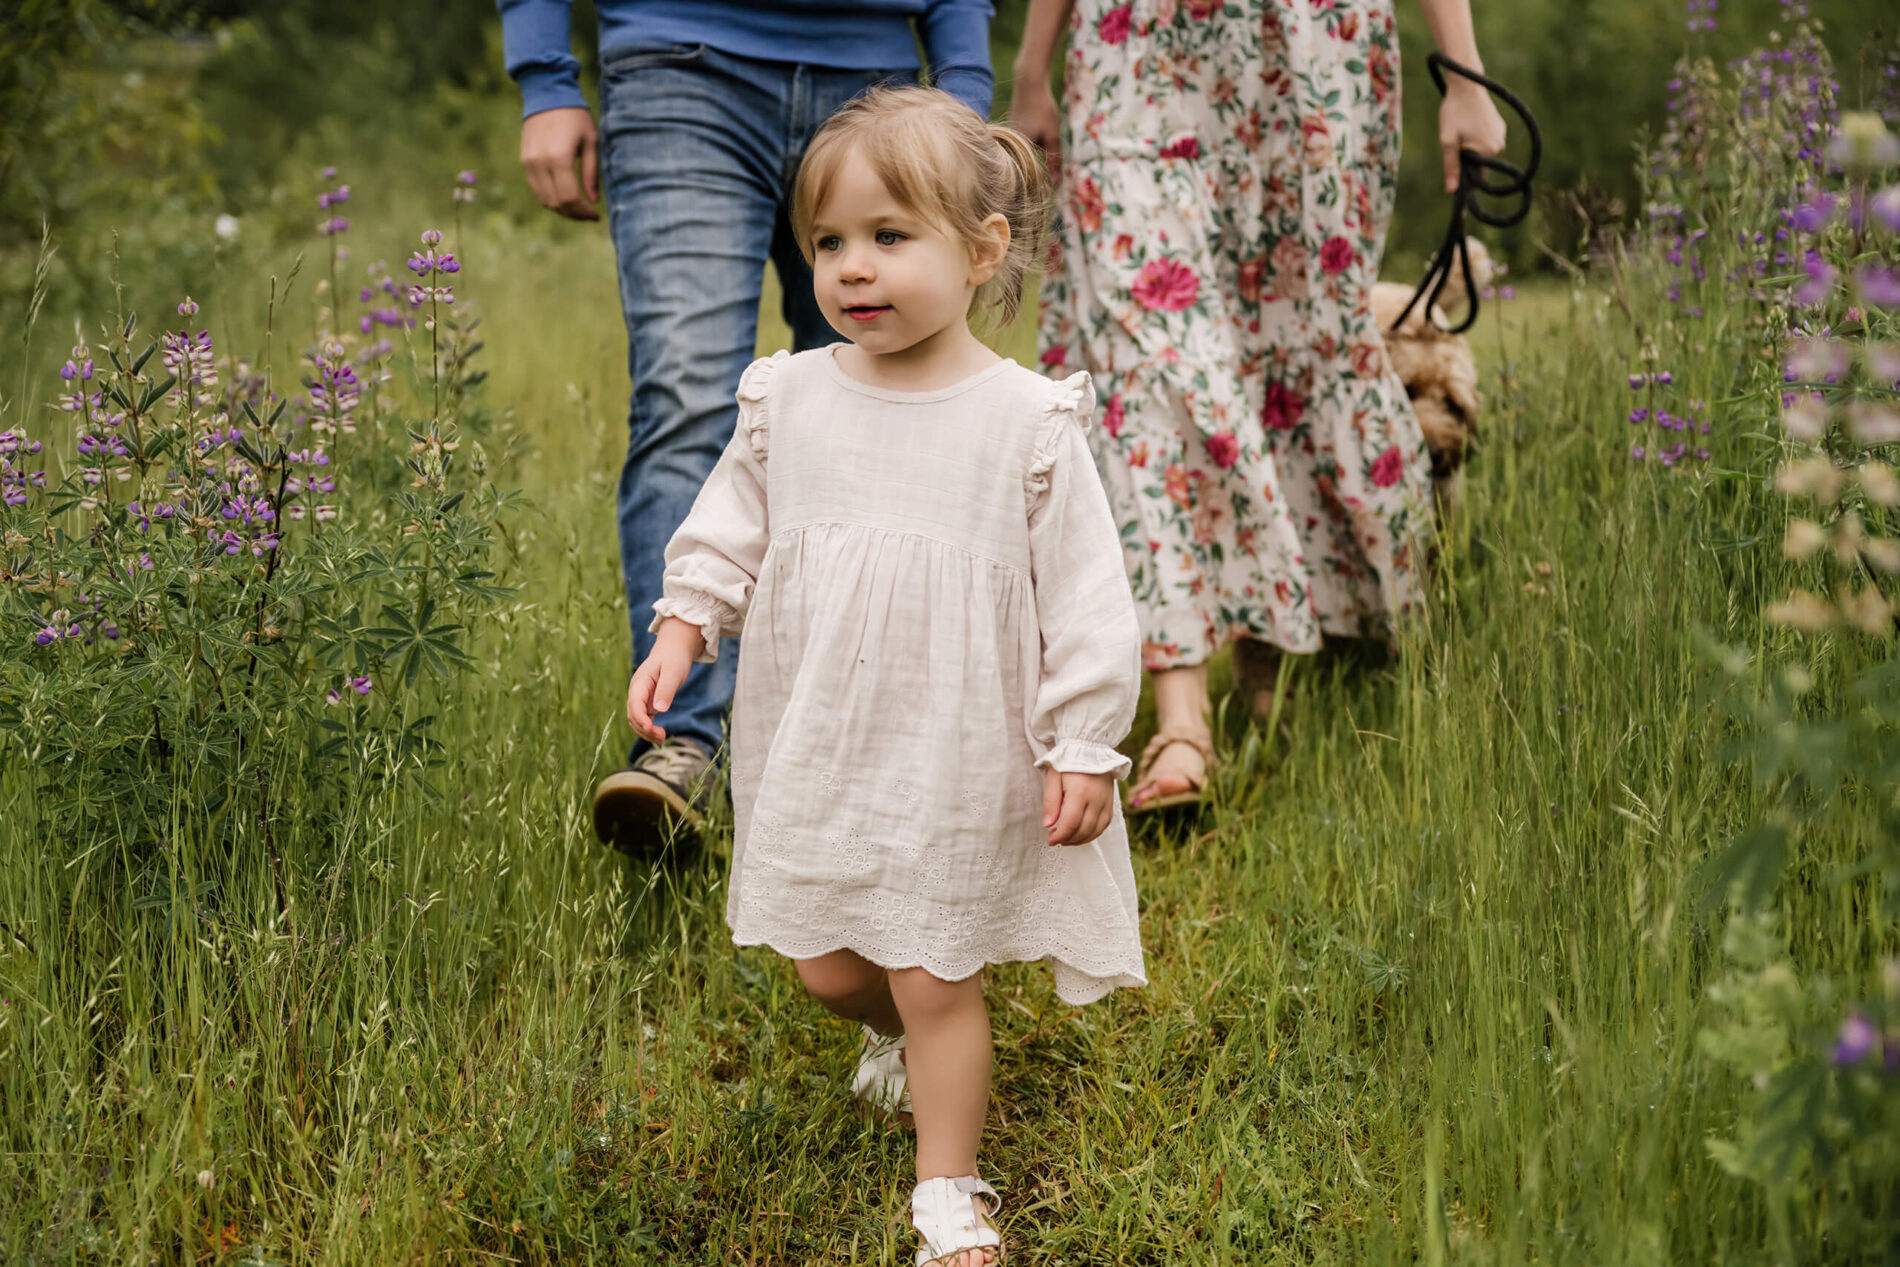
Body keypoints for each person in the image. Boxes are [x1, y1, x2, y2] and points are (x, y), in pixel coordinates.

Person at [626, 88, 1146, 1265]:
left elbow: (1086, 598)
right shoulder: (790, 396)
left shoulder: (1024, 420)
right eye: (829, 242)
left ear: (982, 249)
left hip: (960, 744)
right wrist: (682, 625)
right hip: (824, 728)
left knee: (931, 972)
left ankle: (947, 1188)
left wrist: (1081, 740)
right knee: (827, 965)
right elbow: (728, 523)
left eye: (889, 236)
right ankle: (895, 1038)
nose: (854, 268)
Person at [497, 0, 997, 854]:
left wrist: (964, 91)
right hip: (677, 64)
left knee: (886, 409)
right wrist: (544, 73)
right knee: (690, 399)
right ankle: (685, 745)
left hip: (875, 78)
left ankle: (859, 740)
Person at [1012, 0, 1508, 811]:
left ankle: (1278, 656)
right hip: (1134, 48)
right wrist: (1032, 68)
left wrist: (1465, 74)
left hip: (1308, 48)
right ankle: (1182, 719)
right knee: (1154, 357)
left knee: (1289, 341)